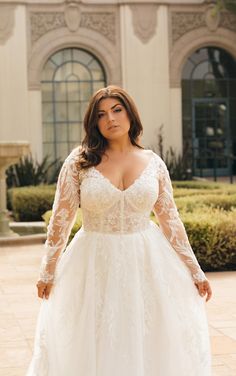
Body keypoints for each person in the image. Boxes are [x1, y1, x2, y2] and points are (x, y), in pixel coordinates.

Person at [27, 85, 212, 376]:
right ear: (94, 122)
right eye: (101, 114)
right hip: (93, 261)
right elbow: (61, 220)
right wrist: (47, 272)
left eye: (117, 110)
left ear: (129, 114)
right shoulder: (79, 162)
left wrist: (195, 270)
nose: (110, 119)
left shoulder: (154, 163)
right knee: (94, 336)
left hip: (147, 260)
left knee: (147, 335)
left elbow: (170, 220)